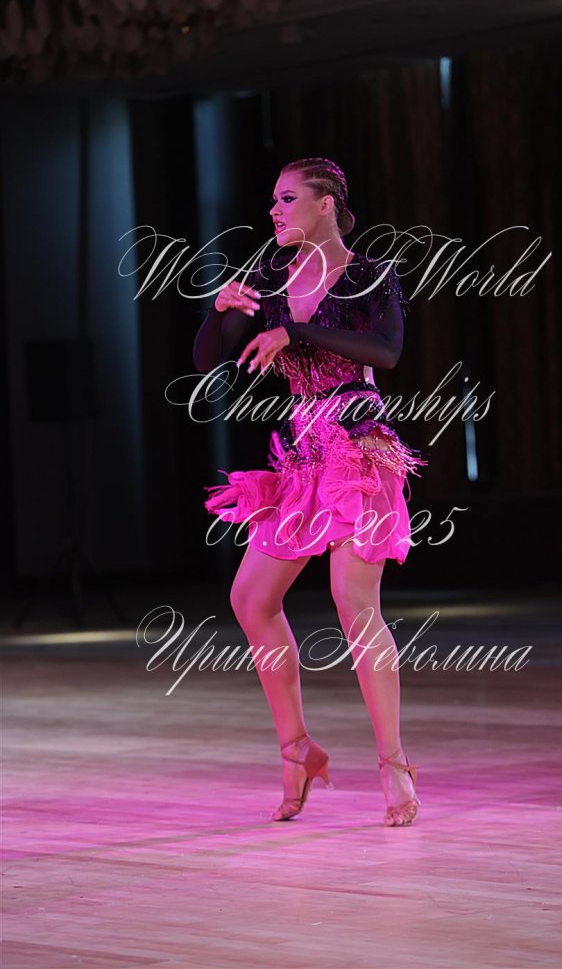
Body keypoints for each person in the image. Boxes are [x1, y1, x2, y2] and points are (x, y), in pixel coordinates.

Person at [193, 157, 427, 827]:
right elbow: (208, 361)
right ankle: (297, 749)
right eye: (273, 199)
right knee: (250, 598)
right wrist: (217, 314)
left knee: (354, 600)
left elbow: (385, 352)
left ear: (325, 204)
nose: (274, 209)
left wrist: (293, 330)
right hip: (303, 458)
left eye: (287, 198)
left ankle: (394, 763)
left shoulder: (370, 273)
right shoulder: (270, 278)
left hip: (357, 448)